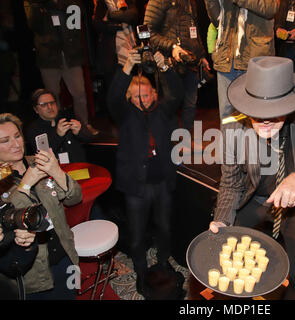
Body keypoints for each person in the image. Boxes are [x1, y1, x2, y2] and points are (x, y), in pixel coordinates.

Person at [209, 56, 295, 299]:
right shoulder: (232, 125)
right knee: (227, 271)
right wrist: (223, 220)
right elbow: (231, 182)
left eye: (275, 114)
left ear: (291, 105)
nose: (265, 121)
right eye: (257, 115)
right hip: (253, 199)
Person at [107, 49, 183, 298]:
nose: (144, 99)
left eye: (147, 94)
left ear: (153, 93)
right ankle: (140, 270)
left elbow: (178, 94)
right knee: (138, 236)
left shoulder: (163, 110)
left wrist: (166, 68)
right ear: (130, 96)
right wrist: (127, 67)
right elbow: (113, 97)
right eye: (138, 95)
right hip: (136, 188)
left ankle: (163, 262)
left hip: (161, 183)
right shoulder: (125, 113)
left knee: (164, 228)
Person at [0, 113, 82, 299]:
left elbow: (75, 198)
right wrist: (25, 185)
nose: (16, 144)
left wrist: (57, 172)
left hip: (65, 255)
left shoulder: (36, 162)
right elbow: (11, 218)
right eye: (5, 140)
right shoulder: (1, 181)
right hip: (33, 272)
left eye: (17, 136)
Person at [23, 0, 100, 136]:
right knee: (52, 96)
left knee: (79, 93)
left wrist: (59, 3)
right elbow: (34, 25)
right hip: (48, 55)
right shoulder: (33, 2)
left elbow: (77, 17)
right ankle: (56, 129)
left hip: (71, 53)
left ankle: (83, 126)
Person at [203, 0, 279, 121]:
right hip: (226, 58)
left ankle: (254, 140)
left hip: (254, 59)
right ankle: (229, 141)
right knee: (227, 116)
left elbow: (271, 8)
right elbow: (217, 20)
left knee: (256, 114)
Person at [144, 0, 210, 132]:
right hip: (168, 61)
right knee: (171, 102)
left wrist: (201, 54)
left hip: (190, 59)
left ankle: (185, 141)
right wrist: (172, 46)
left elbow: (194, 29)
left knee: (190, 103)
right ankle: (170, 142)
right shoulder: (157, 1)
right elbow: (147, 32)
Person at [25, 88, 93, 164]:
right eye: (44, 105)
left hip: (79, 167)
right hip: (55, 171)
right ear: (36, 109)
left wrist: (79, 132)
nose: (50, 107)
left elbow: (90, 138)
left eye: (52, 103)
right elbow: (43, 155)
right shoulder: (34, 129)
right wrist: (58, 135)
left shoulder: (69, 116)